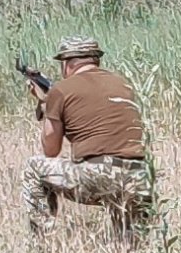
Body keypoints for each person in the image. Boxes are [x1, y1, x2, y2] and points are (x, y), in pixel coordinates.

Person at [23, 36, 152, 241]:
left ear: (67, 64)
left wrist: (47, 105)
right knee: (132, 244)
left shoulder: (61, 90)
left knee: (34, 168)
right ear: (96, 60)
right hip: (139, 176)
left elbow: (51, 150)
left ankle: (41, 244)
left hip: (99, 174)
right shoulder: (124, 85)